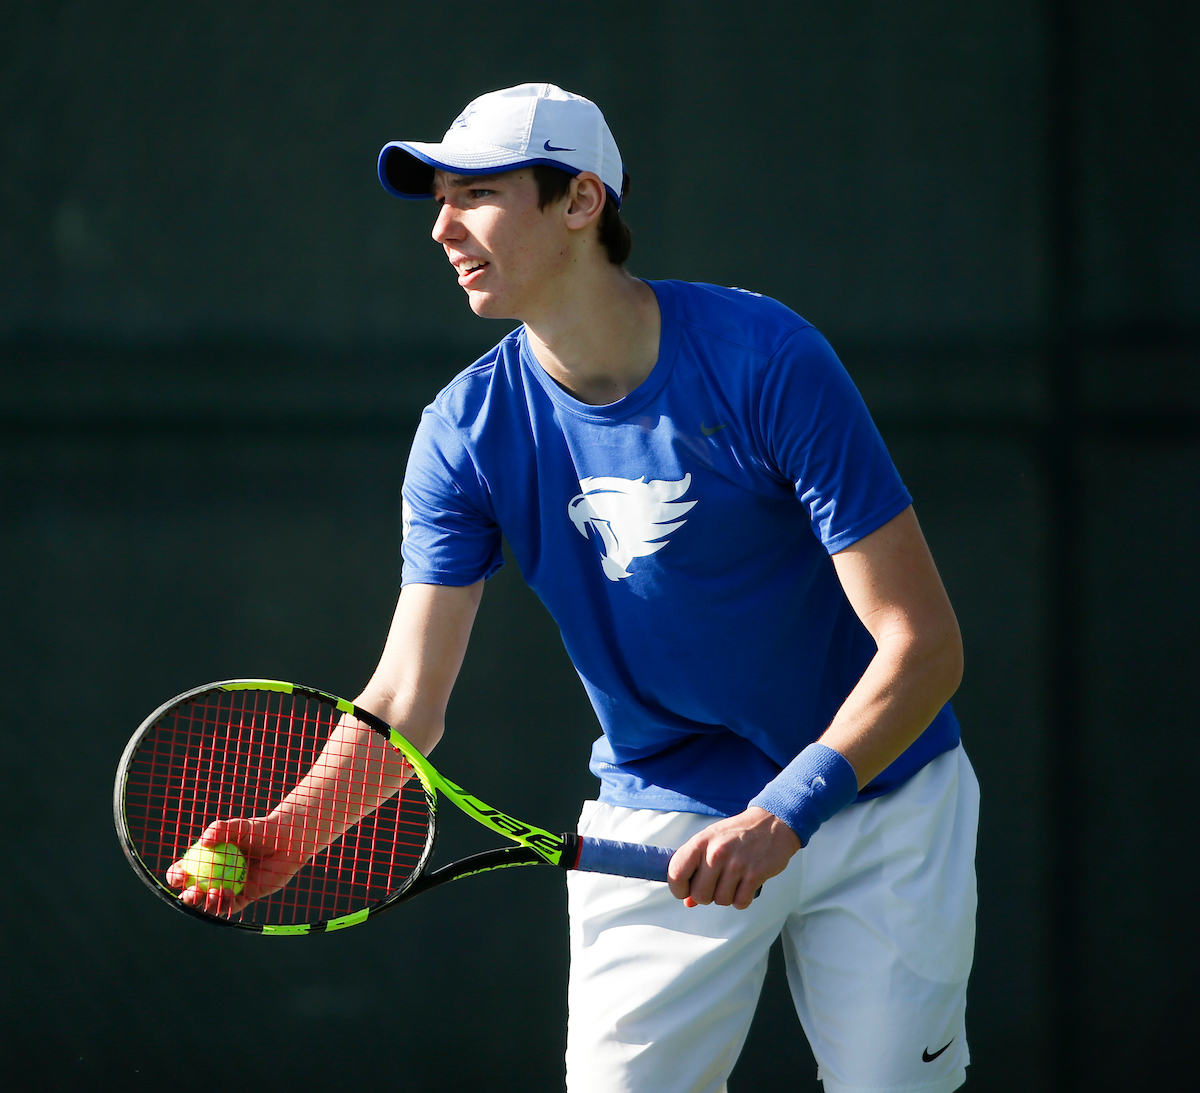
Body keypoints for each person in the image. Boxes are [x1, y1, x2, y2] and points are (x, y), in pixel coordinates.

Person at [174, 83, 978, 1093]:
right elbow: (404, 702)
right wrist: (290, 831)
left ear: (581, 201)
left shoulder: (767, 359)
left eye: (474, 193)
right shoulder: (465, 433)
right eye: (437, 199)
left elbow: (925, 645)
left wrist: (787, 809)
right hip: (661, 814)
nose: (441, 226)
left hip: (881, 795)